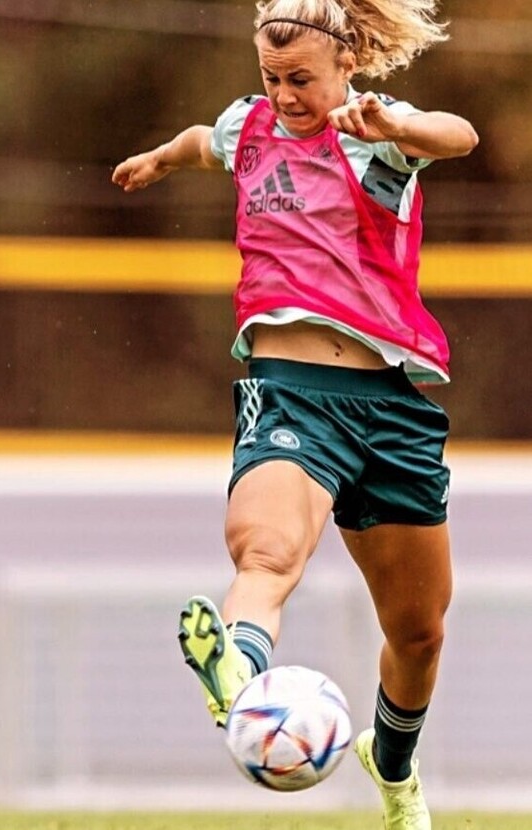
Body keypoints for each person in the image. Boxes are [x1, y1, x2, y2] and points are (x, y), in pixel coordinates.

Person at [113, 1, 477, 827]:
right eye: (271, 77)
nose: (284, 95)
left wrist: (398, 124)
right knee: (267, 553)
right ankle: (238, 676)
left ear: (346, 66)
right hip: (289, 394)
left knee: (420, 630)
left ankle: (393, 768)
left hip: (391, 406)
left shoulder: (376, 129)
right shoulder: (248, 124)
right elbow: (203, 141)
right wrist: (160, 160)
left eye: (301, 79)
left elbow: (459, 136)